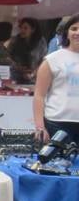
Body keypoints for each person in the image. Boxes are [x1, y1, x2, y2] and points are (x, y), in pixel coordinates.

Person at [33, 14, 79, 143]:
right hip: (57, 123)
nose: (77, 33)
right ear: (67, 33)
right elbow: (39, 95)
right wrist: (40, 127)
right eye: (74, 29)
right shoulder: (52, 59)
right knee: (57, 163)